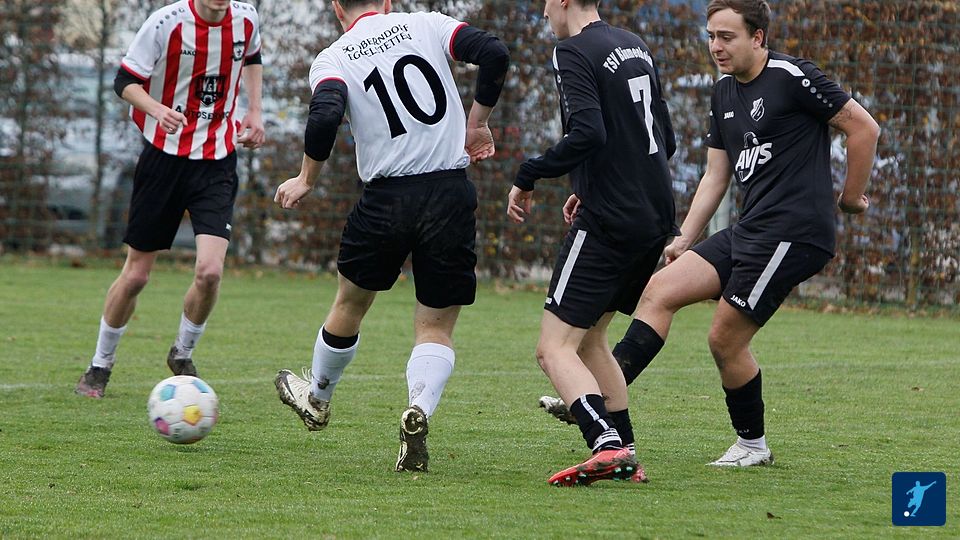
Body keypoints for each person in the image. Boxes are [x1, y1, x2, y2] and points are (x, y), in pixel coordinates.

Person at [539, 0, 881, 467]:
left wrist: (850, 197)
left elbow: (864, 128)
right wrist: (685, 237)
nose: (716, 46)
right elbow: (715, 176)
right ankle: (598, 404)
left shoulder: (792, 76)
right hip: (752, 229)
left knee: (724, 338)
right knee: (659, 291)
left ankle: (752, 445)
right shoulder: (724, 93)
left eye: (727, 37)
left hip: (794, 232)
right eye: (711, 36)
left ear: (758, 37)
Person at [272, 0, 509, 473]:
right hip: (448, 193)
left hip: (386, 199)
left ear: (337, 8)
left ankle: (317, 398)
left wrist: (306, 179)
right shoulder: (427, 24)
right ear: (387, 2)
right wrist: (477, 122)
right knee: (435, 328)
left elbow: (325, 115)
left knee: (349, 305)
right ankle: (417, 409)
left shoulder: (334, 57)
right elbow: (495, 53)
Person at [508, 0, 677, 486]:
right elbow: (664, 140)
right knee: (592, 339)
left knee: (553, 348)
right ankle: (627, 455)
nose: (544, 13)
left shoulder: (572, 51)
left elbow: (588, 132)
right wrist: (589, 183)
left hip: (611, 220)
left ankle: (605, 444)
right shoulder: (634, 45)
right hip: (653, 215)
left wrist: (529, 173)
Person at [75, 0, 265, 398]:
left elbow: (252, 57)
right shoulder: (166, 23)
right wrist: (157, 109)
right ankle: (99, 365)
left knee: (210, 272)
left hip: (217, 161)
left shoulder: (246, 18)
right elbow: (124, 81)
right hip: (163, 159)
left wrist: (255, 112)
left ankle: (182, 353)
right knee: (136, 276)